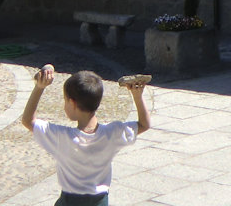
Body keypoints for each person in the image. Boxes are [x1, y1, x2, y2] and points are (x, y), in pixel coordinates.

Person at [20, 64, 150, 206]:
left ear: (72, 102)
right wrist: (137, 96)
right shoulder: (113, 133)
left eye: (65, 100)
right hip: (99, 201)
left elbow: (28, 120)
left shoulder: (62, 137)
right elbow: (144, 124)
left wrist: (39, 87)